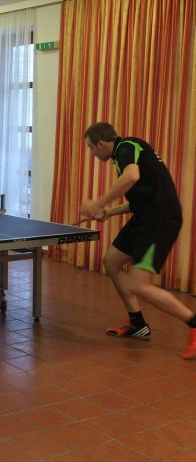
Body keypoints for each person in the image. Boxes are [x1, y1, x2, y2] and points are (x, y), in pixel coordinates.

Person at [80, 122, 196, 360]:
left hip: (160, 221)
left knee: (139, 285)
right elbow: (140, 197)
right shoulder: (123, 155)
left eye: (91, 148)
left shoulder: (127, 147)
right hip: (144, 217)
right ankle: (137, 324)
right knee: (112, 261)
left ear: (101, 144)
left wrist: (98, 203)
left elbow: (132, 176)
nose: (91, 153)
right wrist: (109, 212)